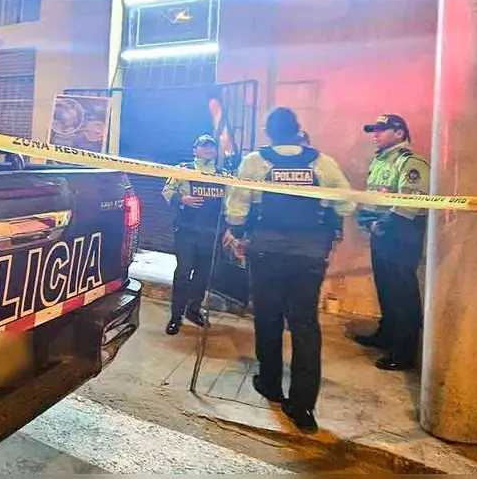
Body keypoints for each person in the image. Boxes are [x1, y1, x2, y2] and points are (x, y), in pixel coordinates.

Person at [224, 108, 355, 433]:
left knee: (268, 318)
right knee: (305, 325)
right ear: (298, 131)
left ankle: (270, 384)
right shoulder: (321, 162)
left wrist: (237, 231)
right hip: (309, 257)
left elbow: (237, 208)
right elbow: (347, 203)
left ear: (269, 131)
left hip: (266, 253)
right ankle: (303, 407)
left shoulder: (256, 161)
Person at [355, 114, 429, 371]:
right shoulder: (379, 161)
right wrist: (367, 221)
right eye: (374, 130)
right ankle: (386, 335)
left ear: (399, 133)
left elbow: (408, 204)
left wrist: (379, 226)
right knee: (385, 288)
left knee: (402, 293)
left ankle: (404, 351)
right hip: (380, 234)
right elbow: (372, 197)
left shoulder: (411, 163)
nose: (375, 135)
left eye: (381, 130)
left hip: (400, 234)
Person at [161, 134, 227, 336]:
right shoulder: (184, 169)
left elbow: (230, 202)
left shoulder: (222, 173)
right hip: (187, 230)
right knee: (183, 272)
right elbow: (166, 190)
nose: (208, 150)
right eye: (204, 146)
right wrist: (183, 199)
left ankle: (193, 309)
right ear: (195, 150)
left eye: (212, 147)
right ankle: (175, 316)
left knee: (203, 275)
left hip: (210, 233)